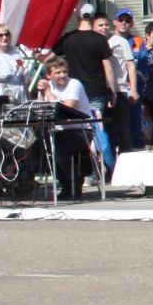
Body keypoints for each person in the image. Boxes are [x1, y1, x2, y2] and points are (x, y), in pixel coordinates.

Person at [37, 55, 98, 200]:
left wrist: (49, 94)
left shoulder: (74, 84)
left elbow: (67, 109)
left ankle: (71, 185)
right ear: (49, 75)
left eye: (64, 72)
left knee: (59, 151)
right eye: (57, 73)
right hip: (58, 131)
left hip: (80, 129)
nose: (62, 75)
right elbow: (40, 110)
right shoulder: (48, 86)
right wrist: (41, 93)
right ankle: (66, 184)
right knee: (38, 149)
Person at [51, 6, 116, 125]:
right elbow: (108, 68)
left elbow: (49, 58)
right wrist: (112, 91)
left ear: (77, 17)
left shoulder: (68, 38)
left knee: (75, 126)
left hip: (73, 90)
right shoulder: (100, 39)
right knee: (95, 126)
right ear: (92, 18)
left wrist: (37, 55)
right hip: (96, 90)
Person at [103, 10, 140, 153]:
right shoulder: (98, 41)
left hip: (120, 90)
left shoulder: (124, 42)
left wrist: (134, 89)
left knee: (124, 131)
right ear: (115, 21)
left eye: (127, 20)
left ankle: (127, 163)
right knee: (105, 132)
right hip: (102, 91)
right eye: (121, 20)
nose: (124, 23)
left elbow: (131, 65)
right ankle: (108, 167)